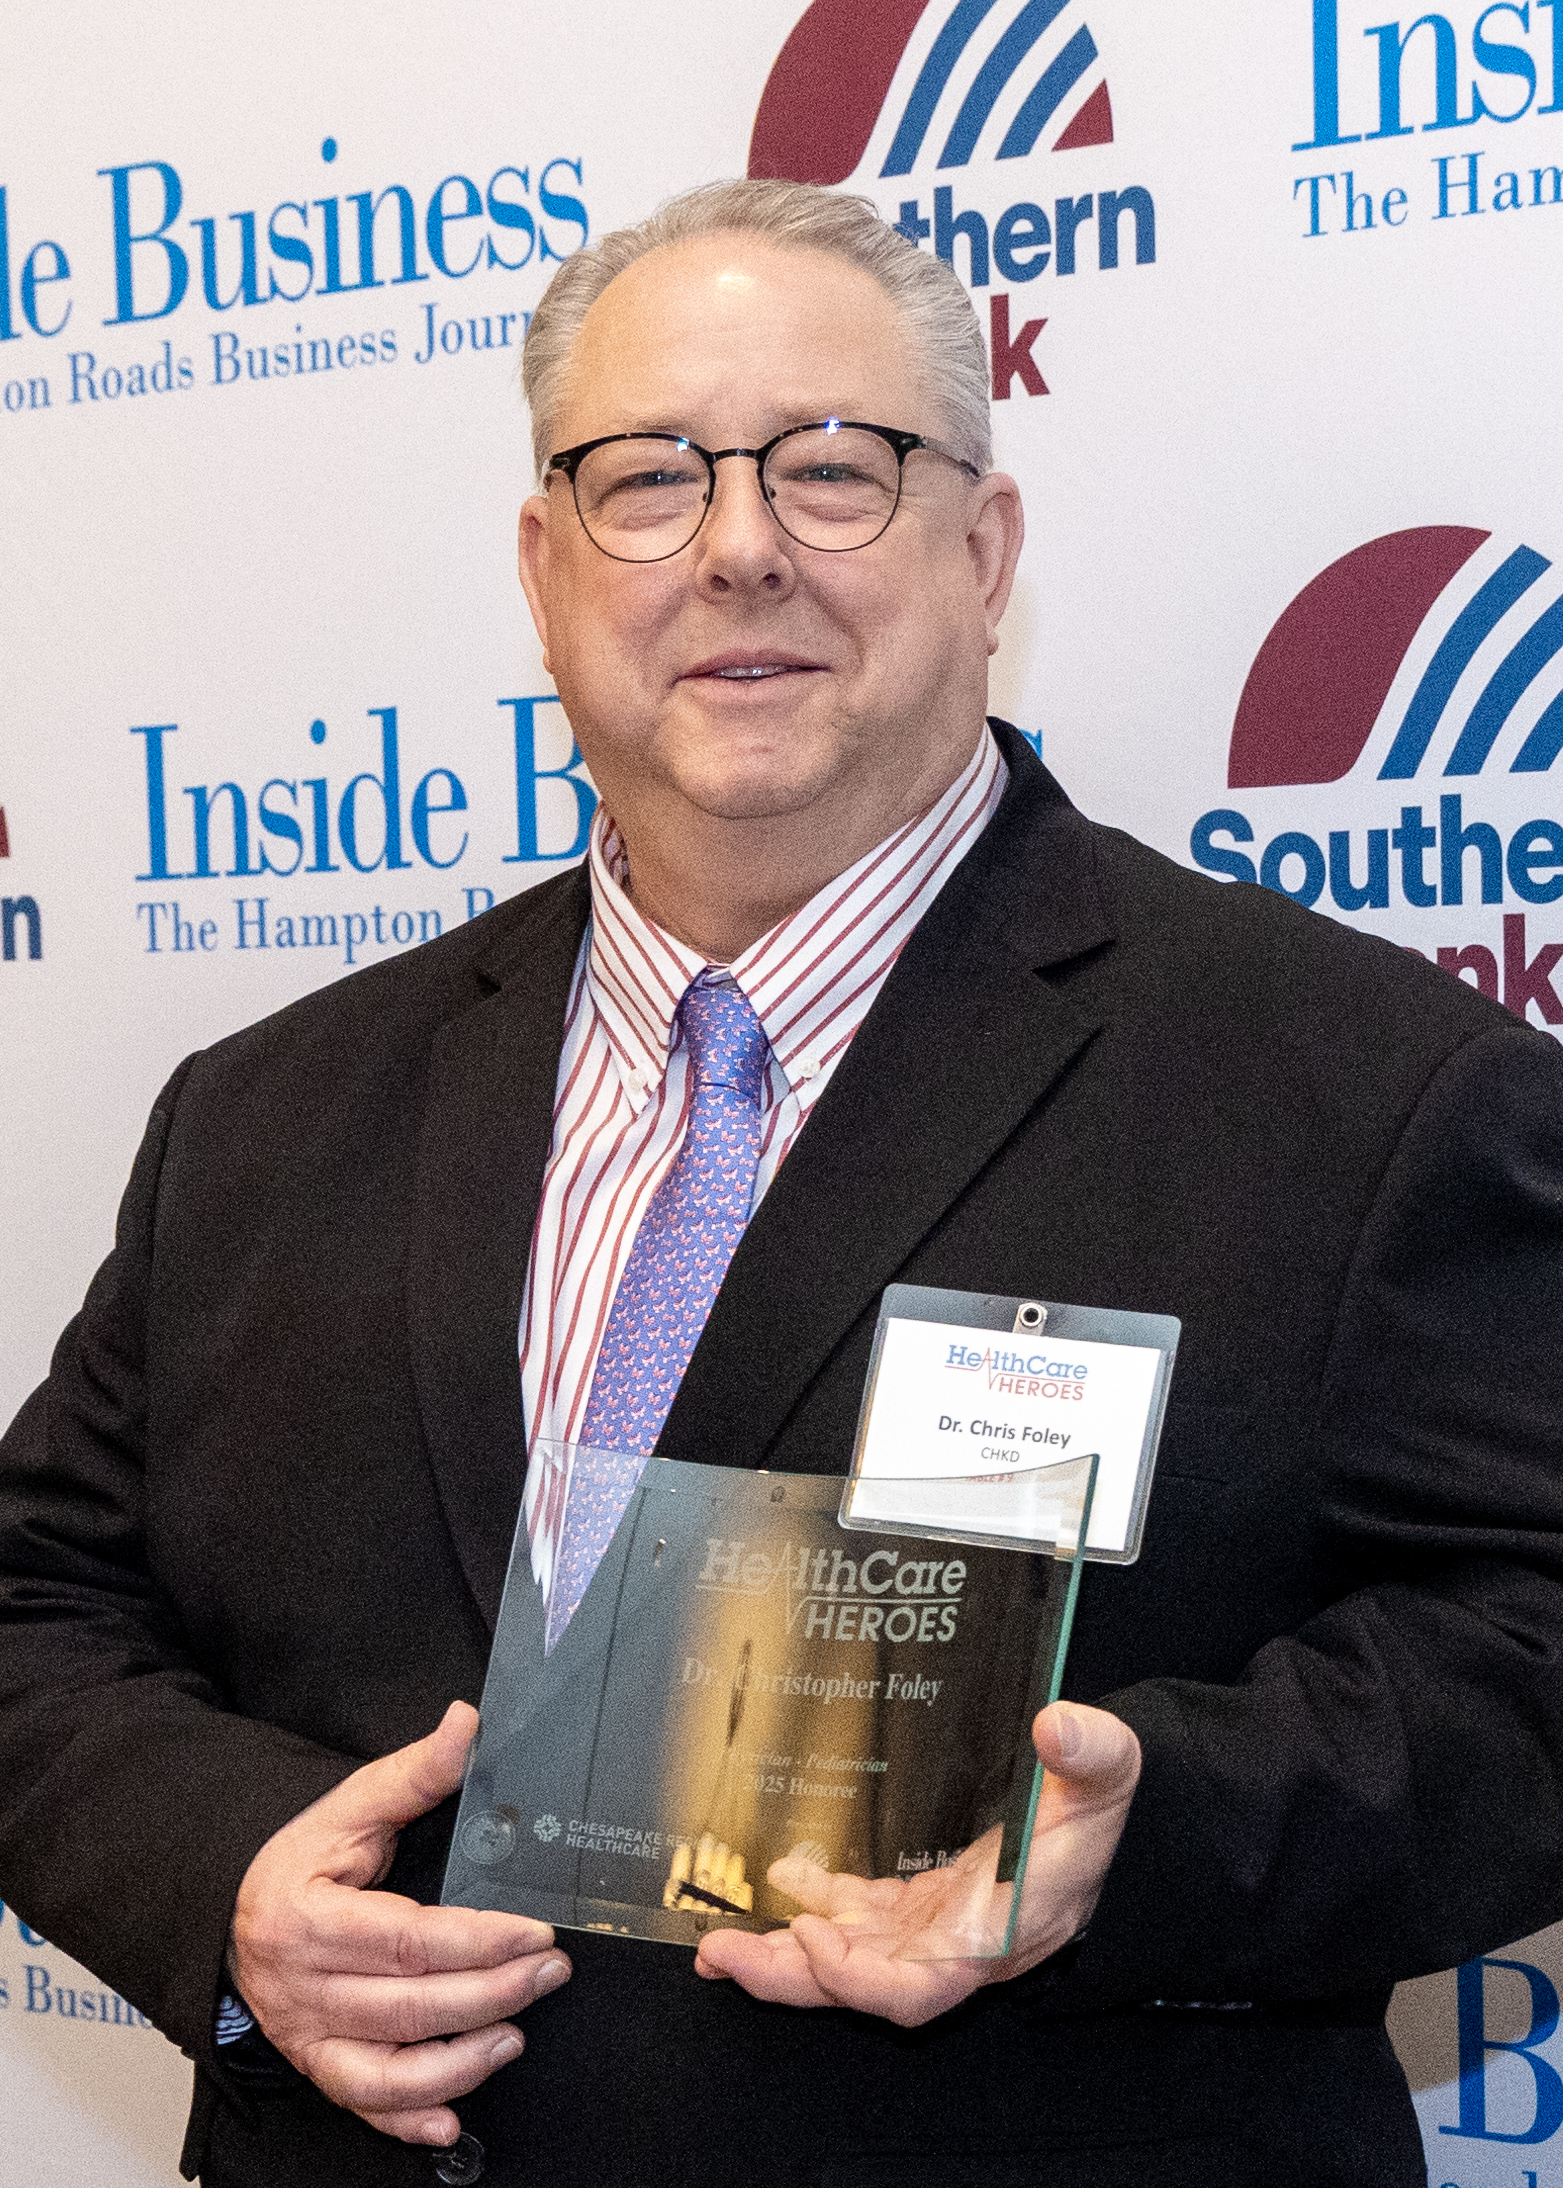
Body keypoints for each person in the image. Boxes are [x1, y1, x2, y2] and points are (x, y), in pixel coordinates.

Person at [2, 177, 1562, 2188]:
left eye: (835, 470)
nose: (738, 548)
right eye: (645, 478)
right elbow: (34, 1602)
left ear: (981, 551)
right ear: (544, 566)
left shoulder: (1359, 1092)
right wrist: (222, 1869)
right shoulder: (270, 1112)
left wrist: (1143, 1828)